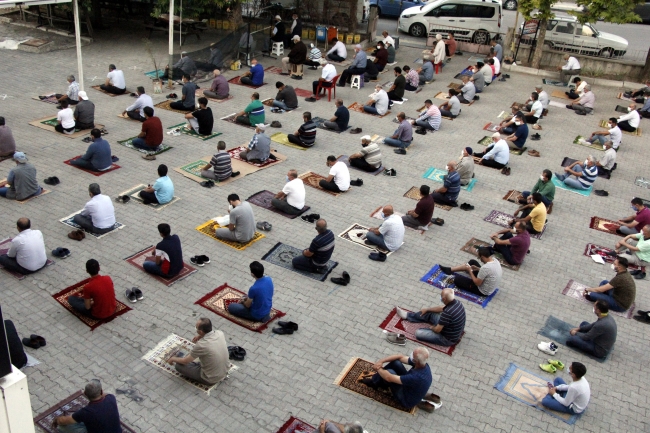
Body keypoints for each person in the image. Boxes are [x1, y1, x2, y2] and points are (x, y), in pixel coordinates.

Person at [361, 348, 432, 409]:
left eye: (413, 354)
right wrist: (381, 361)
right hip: (410, 387)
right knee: (396, 363)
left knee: (390, 372)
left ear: (416, 361)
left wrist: (378, 368)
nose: (411, 354)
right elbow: (399, 357)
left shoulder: (416, 377)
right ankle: (375, 381)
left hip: (406, 400)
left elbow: (389, 377)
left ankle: (375, 383)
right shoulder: (422, 364)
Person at [167, 318, 229, 386]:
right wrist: (200, 336)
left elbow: (185, 361)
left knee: (179, 365)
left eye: (196, 328)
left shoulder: (201, 345)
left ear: (201, 331)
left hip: (210, 378)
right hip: (224, 371)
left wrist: (173, 359)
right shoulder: (220, 333)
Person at [395, 288, 465, 346]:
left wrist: (432, 328)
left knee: (418, 333)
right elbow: (441, 308)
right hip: (452, 330)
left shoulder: (447, 313)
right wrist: (427, 309)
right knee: (431, 313)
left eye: (441, 296)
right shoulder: (457, 303)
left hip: (447, 339)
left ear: (444, 299)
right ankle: (408, 316)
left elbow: (437, 330)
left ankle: (426, 330)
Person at [52, 380, 122, 432]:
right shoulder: (111, 398)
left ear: (85, 394)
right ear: (101, 392)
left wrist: (57, 420)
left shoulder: (86, 412)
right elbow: (105, 394)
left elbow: (63, 421)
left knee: (62, 427)